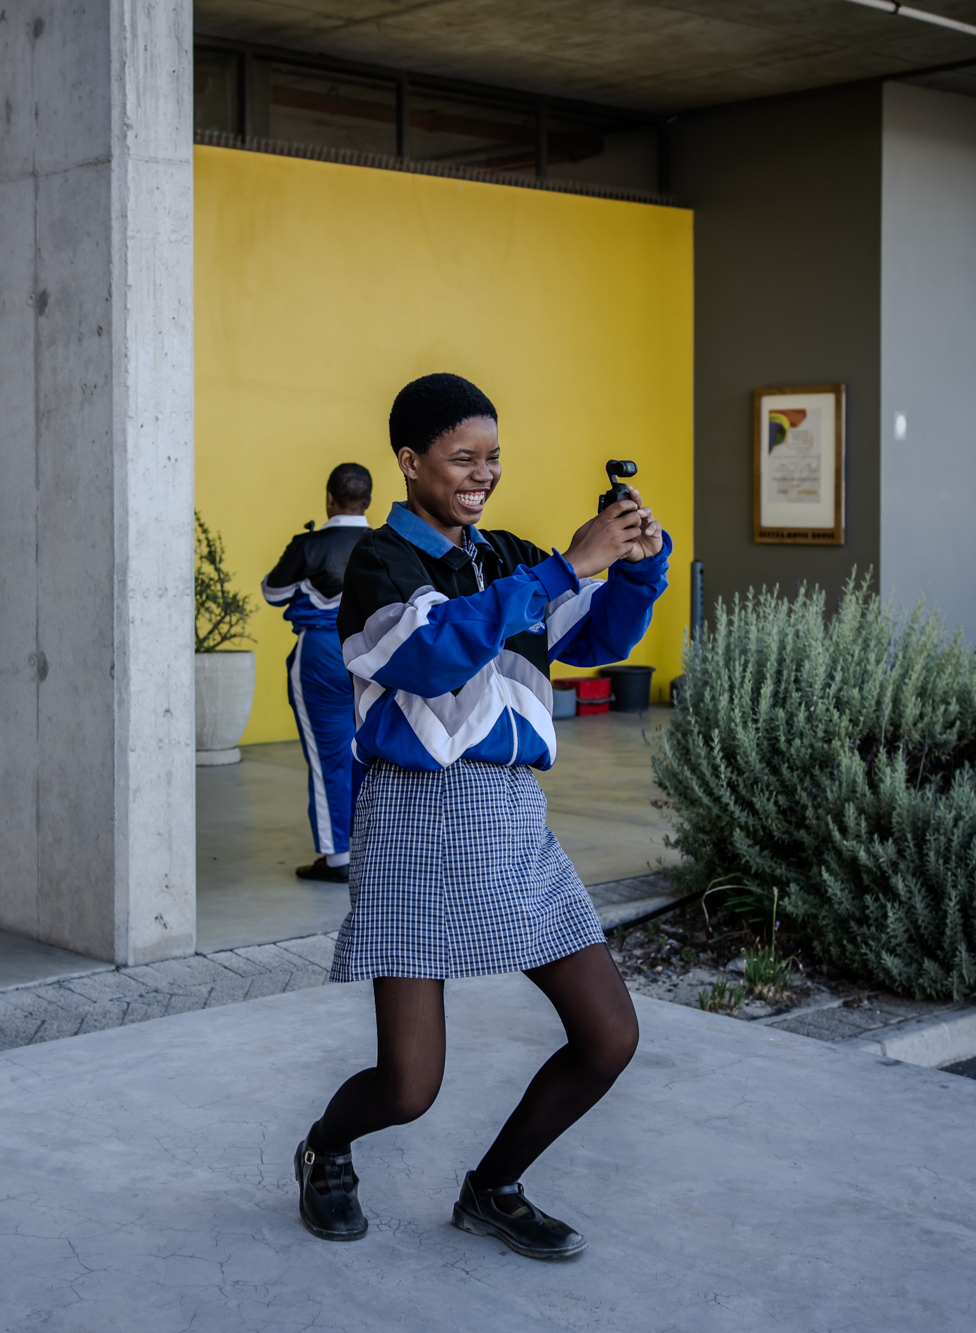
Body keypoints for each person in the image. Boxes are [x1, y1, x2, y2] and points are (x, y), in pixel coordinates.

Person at [294, 373, 669, 1260]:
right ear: (409, 461)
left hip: (511, 822)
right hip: (415, 825)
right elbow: (429, 655)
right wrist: (566, 566)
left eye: (493, 456)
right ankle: (328, 1145)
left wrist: (637, 564)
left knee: (610, 1034)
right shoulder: (377, 565)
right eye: (463, 457)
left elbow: (597, 638)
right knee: (408, 1085)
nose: (482, 473)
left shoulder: (510, 558)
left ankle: (492, 1188)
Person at [261, 463, 374, 884]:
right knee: (371, 752)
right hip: (375, 656)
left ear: (330, 498)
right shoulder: (384, 542)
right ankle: (371, 848)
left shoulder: (309, 544)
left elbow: (273, 591)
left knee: (328, 756)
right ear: (368, 501)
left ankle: (337, 859)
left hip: (321, 655)